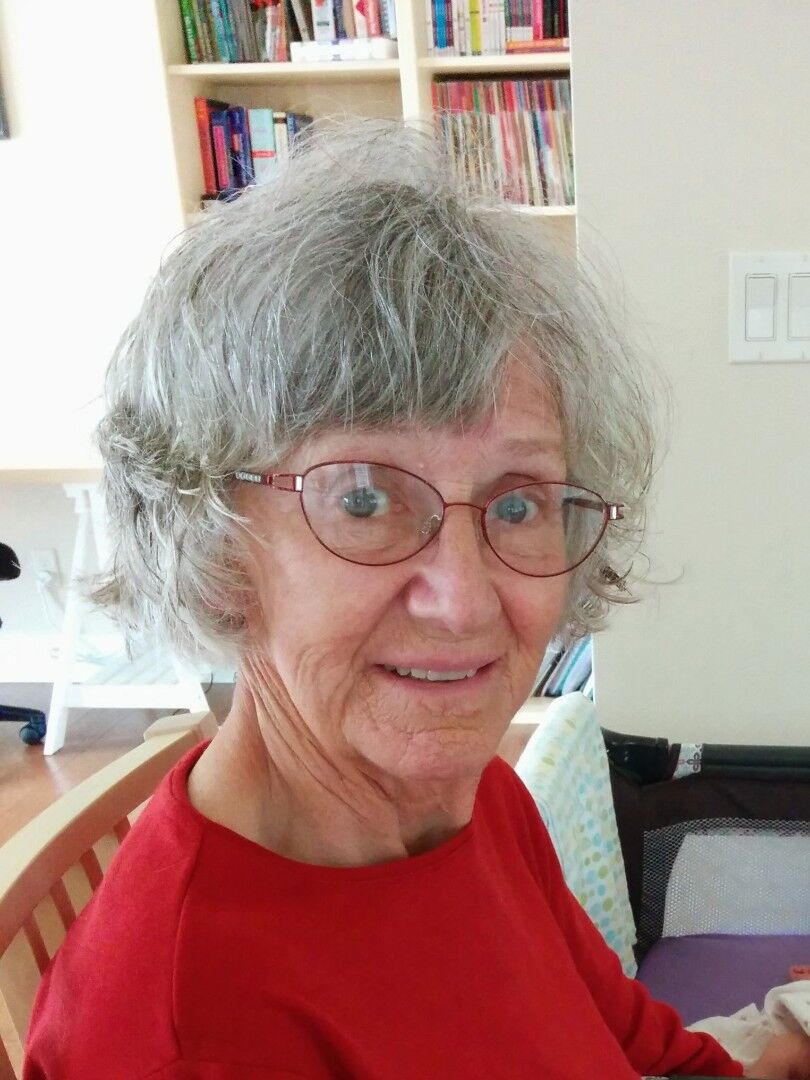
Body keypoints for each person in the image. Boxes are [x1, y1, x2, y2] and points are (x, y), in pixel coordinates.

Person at [23, 120, 800, 1078]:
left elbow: (645, 1053)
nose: (465, 604)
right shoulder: (185, 1032)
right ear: (213, 539)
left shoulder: (477, 801)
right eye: (363, 498)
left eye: (517, 503)